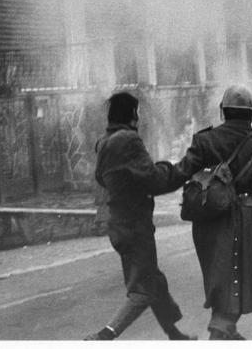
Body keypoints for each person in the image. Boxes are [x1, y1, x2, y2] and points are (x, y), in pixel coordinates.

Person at [173, 84, 252, 340]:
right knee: (236, 281)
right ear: (251, 113)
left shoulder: (204, 141)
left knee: (222, 280)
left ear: (223, 112)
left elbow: (182, 173)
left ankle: (226, 333)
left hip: (209, 224)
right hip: (247, 220)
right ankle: (220, 334)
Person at [85, 92, 195, 341]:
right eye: (137, 113)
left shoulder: (106, 142)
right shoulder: (128, 140)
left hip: (120, 224)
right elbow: (156, 180)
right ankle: (103, 336)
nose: (140, 118)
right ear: (133, 115)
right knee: (142, 290)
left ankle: (174, 334)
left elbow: (102, 178)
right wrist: (180, 167)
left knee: (152, 279)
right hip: (135, 227)